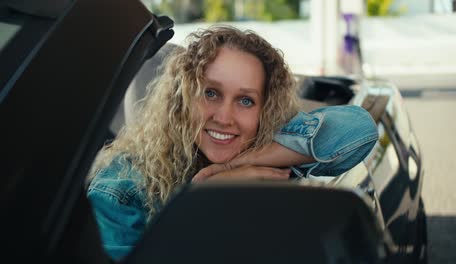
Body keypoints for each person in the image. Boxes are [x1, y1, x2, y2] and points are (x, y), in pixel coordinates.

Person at [87, 25, 379, 261]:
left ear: (264, 111)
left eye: (245, 100)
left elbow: (360, 129)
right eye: (210, 93)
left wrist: (239, 165)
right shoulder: (122, 186)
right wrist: (201, 201)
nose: (225, 117)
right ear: (181, 99)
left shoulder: (264, 155)